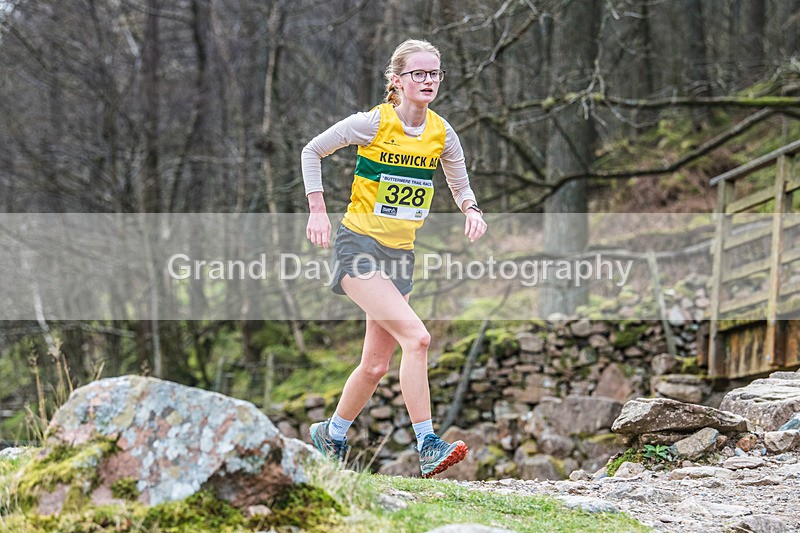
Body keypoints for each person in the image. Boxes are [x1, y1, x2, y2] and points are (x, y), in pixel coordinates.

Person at [301, 39, 487, 478]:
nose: (427, 80)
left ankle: (332, 432)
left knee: (375, 365)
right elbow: (313, 150)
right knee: (418, 339)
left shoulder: (442, 133)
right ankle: (427, 442)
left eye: (434, 73)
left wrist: (471, 209)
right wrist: (317, 210)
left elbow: (459, 182)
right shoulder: (372, 123)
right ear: (397, 81)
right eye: (418, 74)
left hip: (400, 255)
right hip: (358, 247)